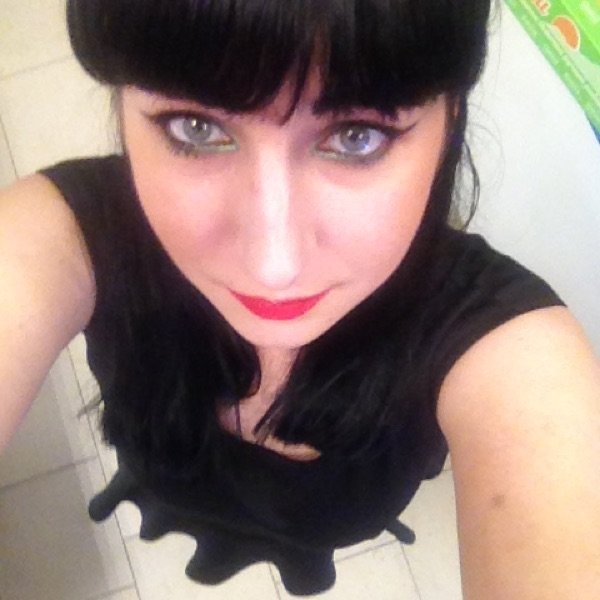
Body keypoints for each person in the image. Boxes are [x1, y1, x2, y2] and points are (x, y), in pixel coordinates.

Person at [1, 0, 599, 596]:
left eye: (356, 136)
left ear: (450, 121)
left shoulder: (504, 346)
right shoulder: (68, 235)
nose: (274, 266)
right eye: (197, 128)